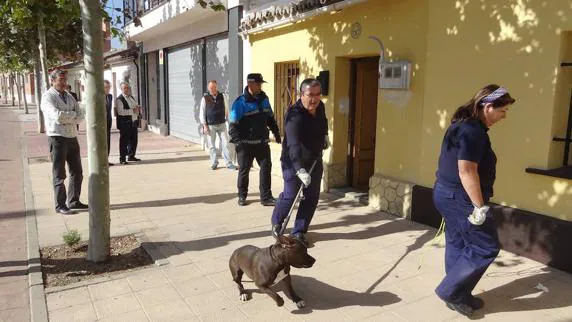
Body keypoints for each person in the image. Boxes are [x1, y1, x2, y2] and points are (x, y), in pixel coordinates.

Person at [432, 84, 515, 316]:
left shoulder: (461, 124)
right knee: (485, 246)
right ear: (488, 107)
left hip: (445, 192)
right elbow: (467, 170)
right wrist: (479, 207)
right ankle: (450, 290)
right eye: (502, 110)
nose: (503, 116)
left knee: (457, 241)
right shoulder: (472, 131)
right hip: (461, 197)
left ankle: (458, 293)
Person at [270, 78, 328, 246]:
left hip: (314, 160)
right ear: (302, 95)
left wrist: (325, 136)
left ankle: (299, 232)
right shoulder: (294, 116)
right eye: (310, 95)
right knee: (290, 195)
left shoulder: (320, 107)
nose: (314, 99)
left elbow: (323, 122)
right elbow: (293, 145)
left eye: (318, 95)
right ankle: (277, 222)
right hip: (292, 162)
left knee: (311, 197)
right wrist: (300, 170)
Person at [229, 73, 281, 207]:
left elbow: (269, 118)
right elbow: (233, 125)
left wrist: (276, 132)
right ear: (251, 84)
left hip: (262, 143)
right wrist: (238, 142)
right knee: (244, 170)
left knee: (265, 169)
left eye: (261, 84)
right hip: (246, 145)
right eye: (258, 84)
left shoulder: (264, 99)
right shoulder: (240, 102)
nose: (260, 86)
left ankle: (266, 197)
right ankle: (242, 195)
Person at [41, 69, 88, 215]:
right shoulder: (48, 97)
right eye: (60, 80)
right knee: (59, 173)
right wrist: (72, 116)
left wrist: (70, 116)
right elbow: (57, 116)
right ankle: (60, 205)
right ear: (53, 80)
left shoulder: (69, 96)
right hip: (57, 138)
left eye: (65, 80)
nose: (64, 83)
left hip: (72, 137)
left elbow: (81, 115)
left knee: (77, 172)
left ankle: (74, 201)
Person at [199, 80, 236, 170]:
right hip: (210, 126)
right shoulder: (205, 98)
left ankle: (229, 163)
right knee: (212, 145)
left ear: (217, 87)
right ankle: (214, 162)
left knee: (225, 143)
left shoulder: (222, 96)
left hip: (222, 124)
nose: (213, 89)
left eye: (214, 87)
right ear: (208, 88)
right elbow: (202, 113)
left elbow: (227, 110)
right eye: (211, 87)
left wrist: (230, 122)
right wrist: (205, 125)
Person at [114, 81, 141, 165]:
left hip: (133, 122)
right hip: (125, 123)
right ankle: (122, 158)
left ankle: (131, 156)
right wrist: (133, 110)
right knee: (124, 142)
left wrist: (138, 108)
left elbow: (135, 107)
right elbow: (121, 112)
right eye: (125, 88)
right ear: (121, 89)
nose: (127, 89)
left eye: (128, 88)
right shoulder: (119, 99)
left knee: (133, 141)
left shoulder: (131, 97)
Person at [104, 80, 113, 166]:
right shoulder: (99, 97)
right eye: (106, 87)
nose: (108, 89)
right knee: (103, 142)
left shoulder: (110, 96)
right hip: (101, 124)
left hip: (108, 122)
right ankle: (102, 161)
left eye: (109, 87)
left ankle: (106, 159)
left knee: (108, 142)